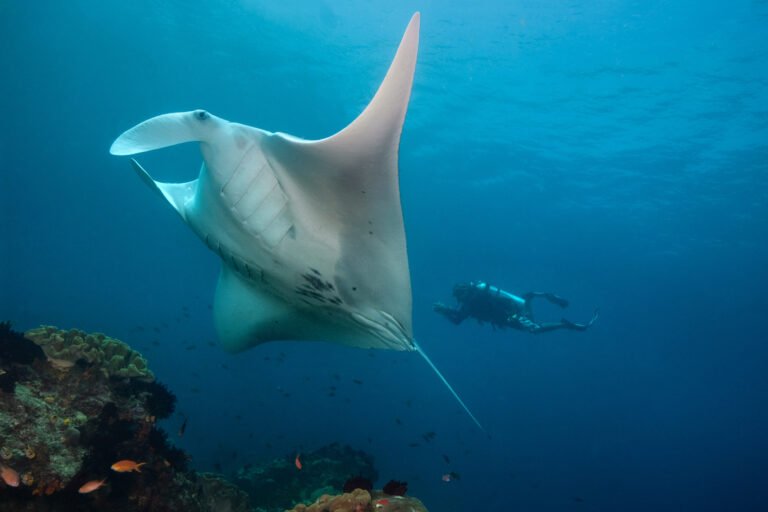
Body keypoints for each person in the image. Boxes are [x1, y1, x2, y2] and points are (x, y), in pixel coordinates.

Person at [433, 280, 598, 334]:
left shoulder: (472, 301)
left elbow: (458, 319)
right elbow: (461, 316)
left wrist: (444, 310)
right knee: (530, 319)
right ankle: (531, 297)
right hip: (510, 313)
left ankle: (566, 324)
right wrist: (447, 310)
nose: (459, 299)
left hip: (510, 315)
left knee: (534, 329)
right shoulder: (476, 296)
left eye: (458, 296)